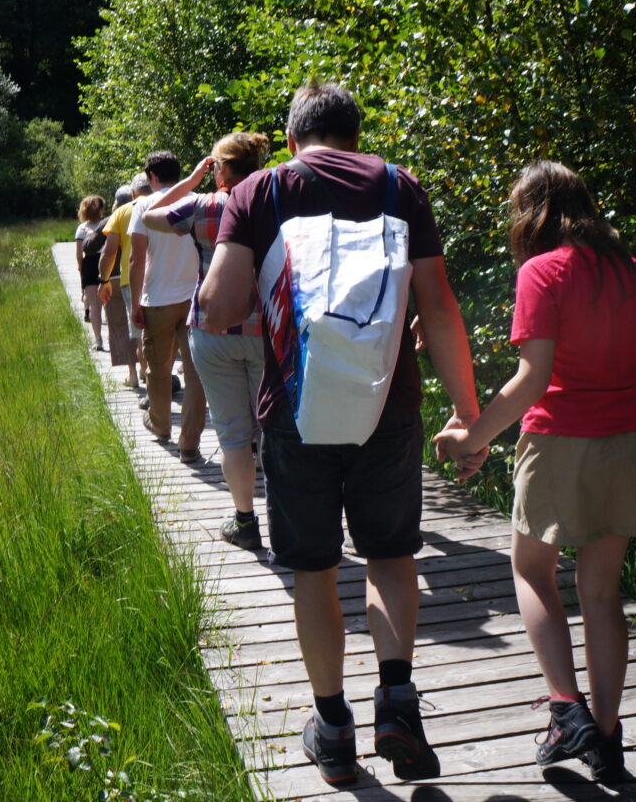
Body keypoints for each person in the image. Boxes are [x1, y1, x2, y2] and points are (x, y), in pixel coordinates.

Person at [200, 83, 483, 787]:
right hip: (389, 405)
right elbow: (439, 308)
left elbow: (219, 305)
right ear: (356, 136)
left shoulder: (260, 191)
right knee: (390, 555)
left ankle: (332, 729)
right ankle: (398, 701)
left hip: (296, 410)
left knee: (316, 569)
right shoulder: (399, 186)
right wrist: (468, 415)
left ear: (291, 139)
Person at [433, 159, 636, 785]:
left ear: (533, 215)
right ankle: (606, 739)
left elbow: (533, 379)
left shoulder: (541, 271)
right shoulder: (634, 274)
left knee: (531, 570)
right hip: (627, 444)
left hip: (558, 441)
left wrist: (471, 437)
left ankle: (565, 708)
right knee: (601, 593)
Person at [142, 132, 269, 550]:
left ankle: (245, 522)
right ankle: (288, 521)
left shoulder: (200, 205)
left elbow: (149, 215)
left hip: (212, 330)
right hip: (266, 330)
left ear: (220, 169)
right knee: (272, 428)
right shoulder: (272, 203)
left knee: (232, 432)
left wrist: (192, 180)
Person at [129, 151, 208, 462]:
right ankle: (189, 444)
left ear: (152, 177)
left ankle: (160, 425)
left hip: (158, 298)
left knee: (158, 369)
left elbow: (136, 258)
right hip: (195, 297)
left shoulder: (144, 206)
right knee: (195, 373)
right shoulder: (199, 201)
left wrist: (135, 302)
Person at [98, 176, 149, 388]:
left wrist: (104, 280)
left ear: (133, 193)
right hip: (164, 277)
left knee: (139, 331)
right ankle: (150, 374)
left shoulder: (123, 211)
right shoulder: (169, 204)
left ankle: (143, 375)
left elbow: (109, 252)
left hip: (131, 278)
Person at [74, 195, 107, 350]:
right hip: (106, 263)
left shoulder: (81, 229)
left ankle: (98, 339)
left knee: (94, 305)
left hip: (89, 265)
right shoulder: (107, 224)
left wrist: (81, 268)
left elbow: (79, 254)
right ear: (100, 209)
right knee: (109, 303)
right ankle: (115, 337)